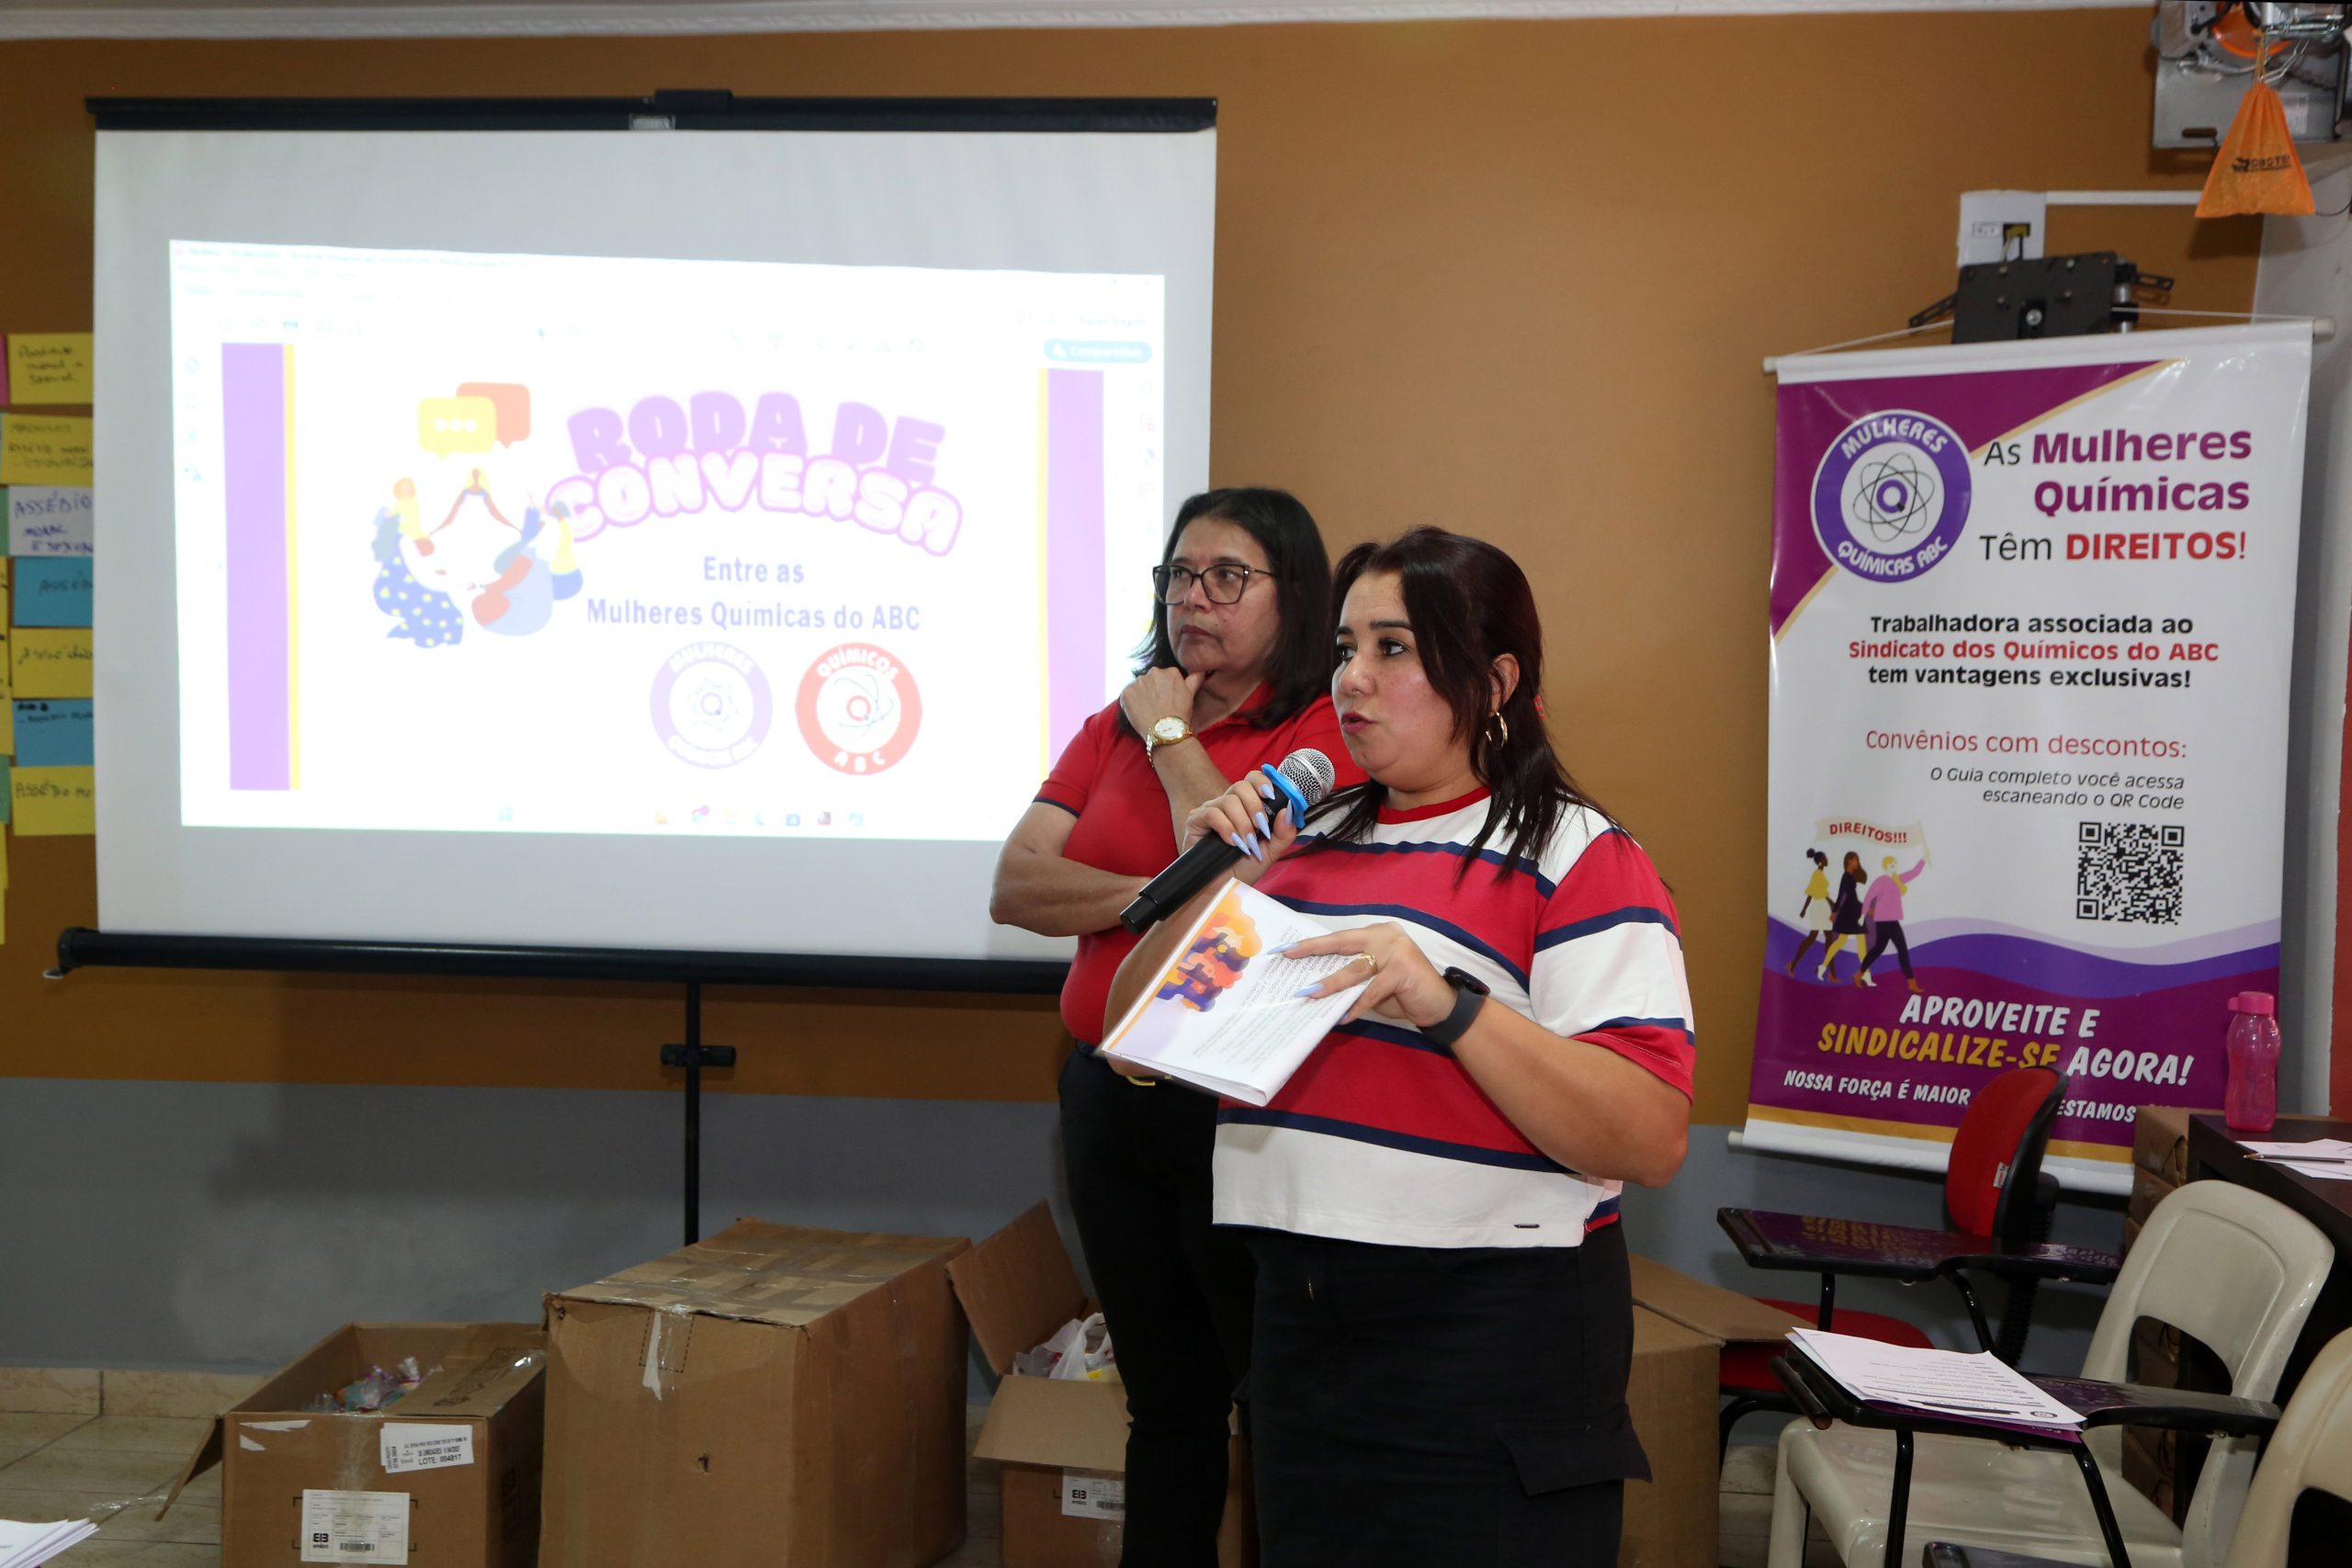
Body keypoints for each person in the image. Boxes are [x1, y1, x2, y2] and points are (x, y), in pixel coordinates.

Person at [1106, 526, 1693, 1567]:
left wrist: (1446, 1004)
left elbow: (1646, 1135)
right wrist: (1225, 872)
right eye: (1342, 649)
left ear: (1495, 679)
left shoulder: (1577, 857)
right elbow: (1131, 1043)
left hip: (1489, 1340)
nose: (1353, 682)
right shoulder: (1304, 841)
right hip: (1298, 1327)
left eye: (1393, 650)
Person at [990, 488, 1362, 1566]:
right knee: (1165, 1401)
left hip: (1235, 1108)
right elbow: (1015, 884)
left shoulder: (1320, 726)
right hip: (1106, 1099)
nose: (1192, 599)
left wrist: (1168, 735)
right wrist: (1160, 895)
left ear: (1292, 596)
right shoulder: (1111, 721)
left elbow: (1252, 885)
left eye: (1224, 578)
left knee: (1270, 1394)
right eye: (1178, 576)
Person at [1854, 854, 1927, 992]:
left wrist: (1923, 859)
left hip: (1893, 921)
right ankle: (1859, 974)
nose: (1895, 867)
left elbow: (1914, 873)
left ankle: (1911, 983)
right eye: (1892, 865)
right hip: (1883, 922)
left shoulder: (1897, 880)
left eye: (1895, 865)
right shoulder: (1881, 881)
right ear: (1886, 866)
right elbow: (1869, 896)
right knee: (1879, 950)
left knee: (1897, 950)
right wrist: (1862, 915)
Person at [1817, 850, 1866, 982]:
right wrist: (1834, 912)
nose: (1857, 863)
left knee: (1846, 941)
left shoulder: (1850, 876)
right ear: (1850, 861)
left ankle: (1823, 967)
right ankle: (1865, 974)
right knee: (1844, 942)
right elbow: (1841, 896)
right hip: (1850, 913)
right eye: (1856, 860)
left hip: (1853, 912)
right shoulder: (1846, 877)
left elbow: (1849, 896)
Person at [1783, 848, 1833, 976]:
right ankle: (1793, 965)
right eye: (1825, 858)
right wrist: (1804, 910)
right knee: (1812, 938)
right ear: (1821, 861)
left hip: (1822, 907)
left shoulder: (1821, 874)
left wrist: (1832, 904)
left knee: (1829, 938)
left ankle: (1827, 970)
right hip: (1818, 908)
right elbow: (1811, 893)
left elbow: (1823, 894)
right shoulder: (1817, 874)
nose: (1827, 859)